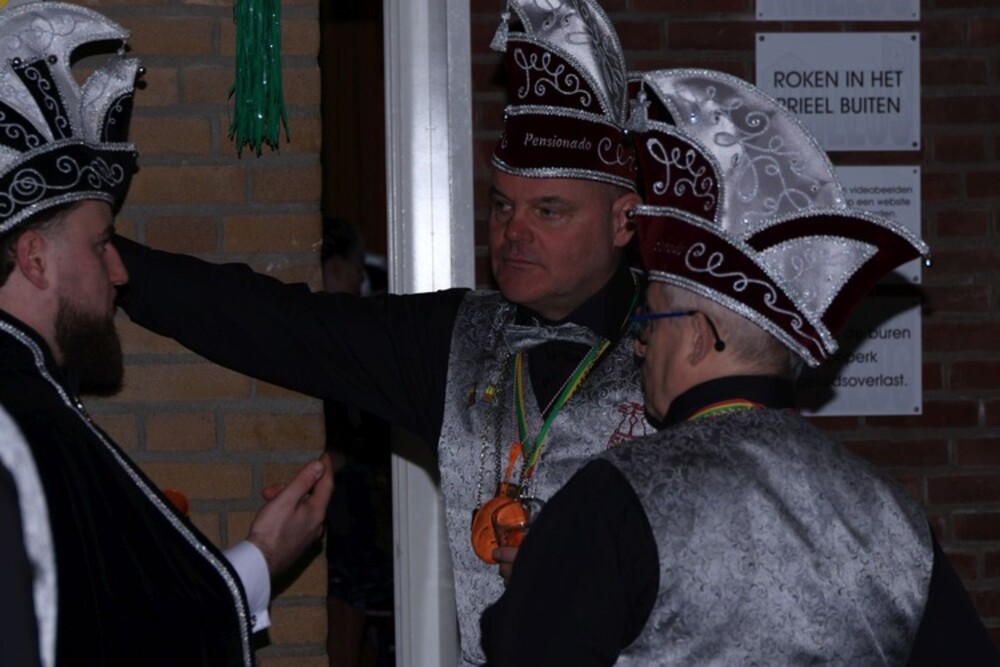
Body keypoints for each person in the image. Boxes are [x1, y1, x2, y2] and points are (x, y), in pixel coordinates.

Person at [113, 0, 651, 662]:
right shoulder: (457, 337)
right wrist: (106, 260)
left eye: (549, 211)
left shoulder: (679, 347)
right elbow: (276, 324)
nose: (514, 233)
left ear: (623, 220)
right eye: (502, 206)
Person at [480, 69, 1000, 665]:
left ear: (698, 337)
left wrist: (540, 577)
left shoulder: (617, 495)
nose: (639, 346)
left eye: (648, 322)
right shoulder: (890, 512)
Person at [0, 1, 333, 664]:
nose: (120, 272)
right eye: (101, 245)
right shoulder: (26, 420)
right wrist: (265, 556)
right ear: (35, 258)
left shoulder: (32, 393)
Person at [319, 218, 395, 667]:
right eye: (355, 266)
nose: (360, 278)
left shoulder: (344, 330)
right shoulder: (328, 332)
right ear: (334, 266)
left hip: (352, 505)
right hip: (342, 508)